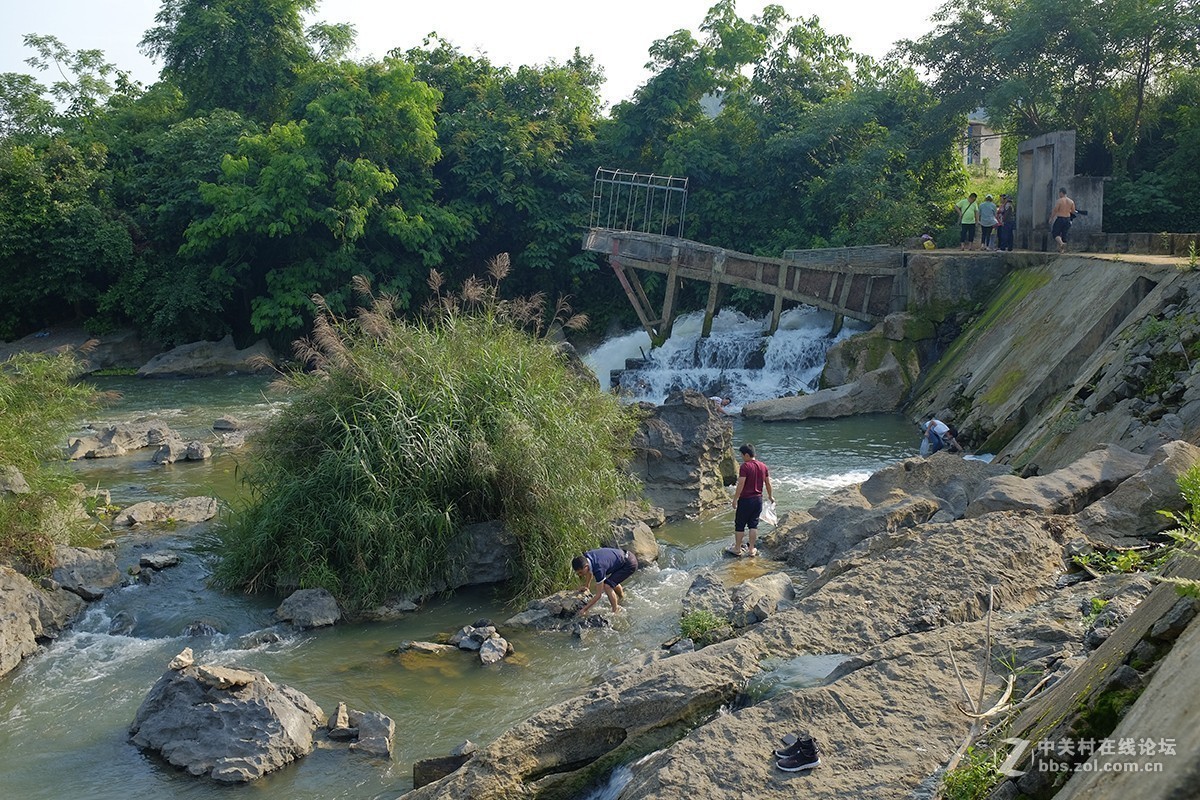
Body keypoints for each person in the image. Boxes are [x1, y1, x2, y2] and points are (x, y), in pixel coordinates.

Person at [729, 443, 774, 557]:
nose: (742, 457)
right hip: (758, 499)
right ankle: (751, 549)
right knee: (753, 525)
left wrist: (735, 499)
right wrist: (770, 496)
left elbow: (741, 483)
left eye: (742, 455)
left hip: (745, 499)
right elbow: (768, 483)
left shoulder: (745, 466)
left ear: (747, 455)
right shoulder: (763, 466)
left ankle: (737, 548)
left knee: (740, 524)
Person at [573, 547, 638, 615]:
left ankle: (615, 611)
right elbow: (589, 572)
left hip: (630, 564)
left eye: (580, 572)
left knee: (607, 586)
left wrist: (584, 609)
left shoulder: (598, 569)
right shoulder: (587, 557)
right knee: (611, 582)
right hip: (623, 557)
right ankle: (622, 598)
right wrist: (586, 586)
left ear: (586, 566)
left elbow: (598, 595)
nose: (579, 575)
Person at [1049, 187, 1077, 254]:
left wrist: (1051, 218)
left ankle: (1061, 243)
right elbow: (1073, 211)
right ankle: (1062, 250)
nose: (1059, 194)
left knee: (1055, 233)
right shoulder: (1071, 201)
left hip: (1060, 218)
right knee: (1064, 234)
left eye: (1059, 193)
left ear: (1061, 193)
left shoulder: (1059, 201)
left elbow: (1055, 210)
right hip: (1067, 219)